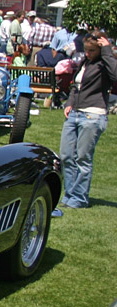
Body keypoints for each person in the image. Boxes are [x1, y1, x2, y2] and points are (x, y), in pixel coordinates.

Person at [59, 31, 117, 208]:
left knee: (83, 158)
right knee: (66, 155)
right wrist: (70, 102)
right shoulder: (86, 62)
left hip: (93, 114)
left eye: (91, 50)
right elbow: (77, 86)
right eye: (86, 50)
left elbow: (115, 76)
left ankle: (79, 197)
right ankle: (69, 194)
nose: (87, 53)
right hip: (75, 113)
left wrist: (107, 51)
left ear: (100, 49)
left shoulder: (105, 63)